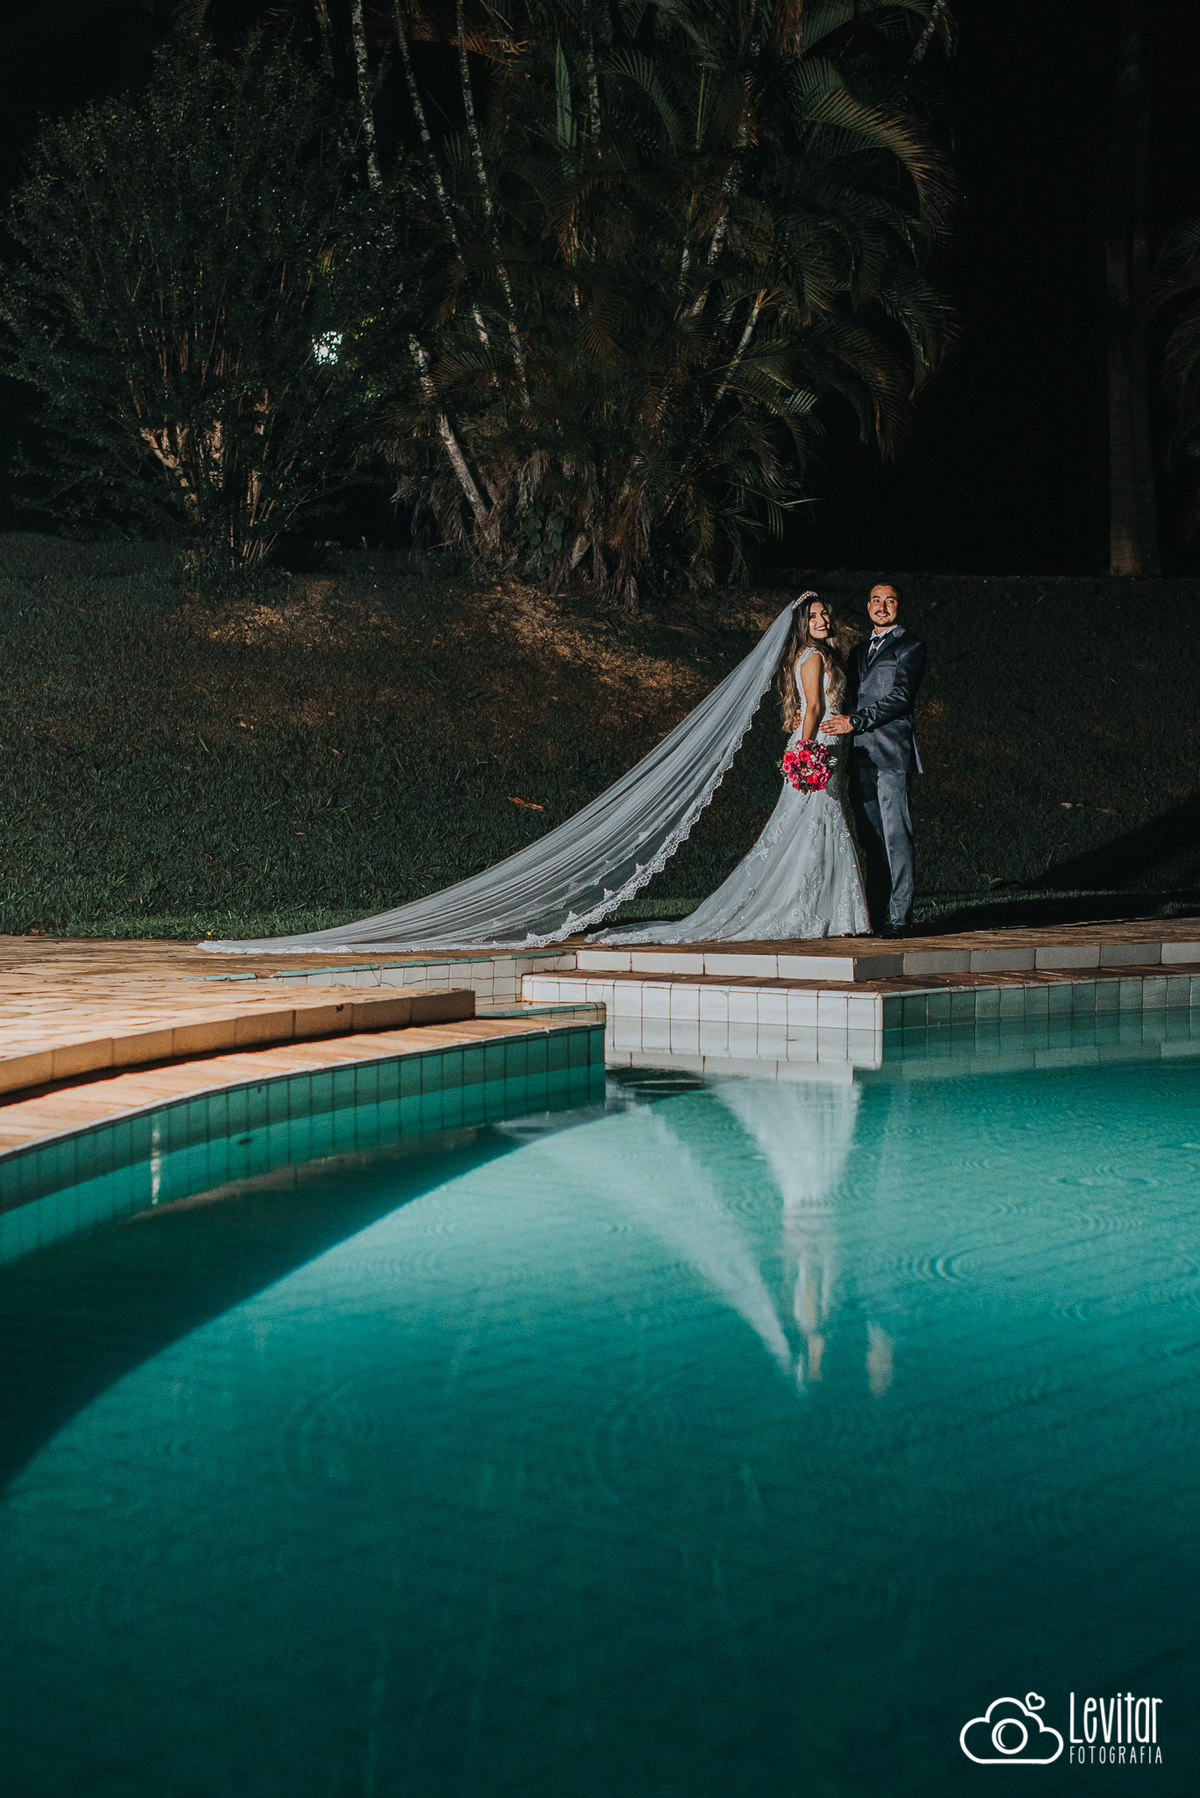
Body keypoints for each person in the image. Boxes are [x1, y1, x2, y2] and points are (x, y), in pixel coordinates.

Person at [603, 594, 869, 943]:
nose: (822, 621)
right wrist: (807, 752)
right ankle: (813, 911)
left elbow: (811, 705)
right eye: (813, 616)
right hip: (816, 748)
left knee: (816, 825)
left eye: (824, 615)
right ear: (801, 624)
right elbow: (815, 706)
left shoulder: (816, 656)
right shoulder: (814, 656)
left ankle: (823, 911)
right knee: (813, 824)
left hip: (823, 745)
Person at [823, 580, 926, 939]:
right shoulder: (858, 650)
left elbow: (900, 697)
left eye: (890, 601)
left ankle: (900, 917)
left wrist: (856, 721)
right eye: (876, 600)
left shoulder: (910, 646)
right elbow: (849, 697)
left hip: (891, 755)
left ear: (899, 606)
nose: (882, 606)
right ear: (868, 606)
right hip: (861, 757)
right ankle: (875, 915)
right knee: (872, 839)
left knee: (897, 837)